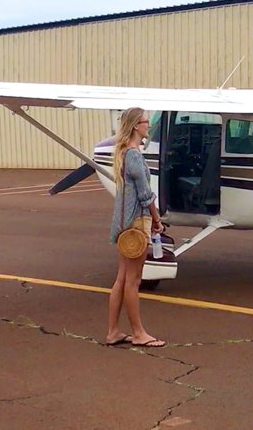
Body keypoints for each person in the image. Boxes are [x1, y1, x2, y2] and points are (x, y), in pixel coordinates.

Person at [106, 107, 165, 348]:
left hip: (122, 223)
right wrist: (157, 219)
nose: (148, 126)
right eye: (145, 122)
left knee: (121, 278)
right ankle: (139, 333)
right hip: (136, 222)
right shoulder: (133, 156)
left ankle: (113, 332)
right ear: (135, 126)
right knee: (133, 279)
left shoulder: (124, 154)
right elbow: (145, 195)